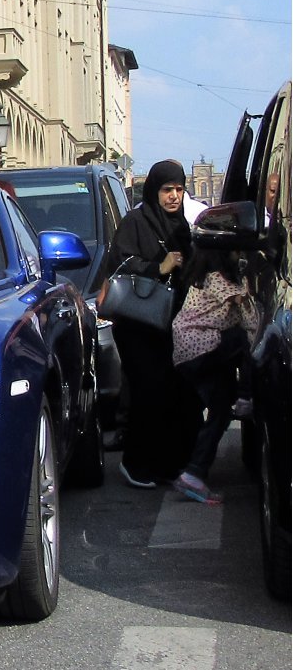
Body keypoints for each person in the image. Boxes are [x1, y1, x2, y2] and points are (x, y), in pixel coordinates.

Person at [103, 159, 201, 490]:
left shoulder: (179, 225)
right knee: (148, 391)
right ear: (153, 191)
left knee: (177, 393)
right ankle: (137, 464)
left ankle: (170, 465)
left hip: (171, 324)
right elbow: (121, 261)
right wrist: (160, 266)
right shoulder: (136, 222)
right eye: (166, 190)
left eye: (178, 189)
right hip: (138, 325)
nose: (173, 196)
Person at [170, 247, 259, 504]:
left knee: (219, 410)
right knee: (245, 340)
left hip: (188, 355)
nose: (239, 255)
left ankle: (193, 474)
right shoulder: (217, 279)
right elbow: (245, 312)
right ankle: (245, 398)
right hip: (202, 347)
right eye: (235, 251)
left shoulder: (202, 278)